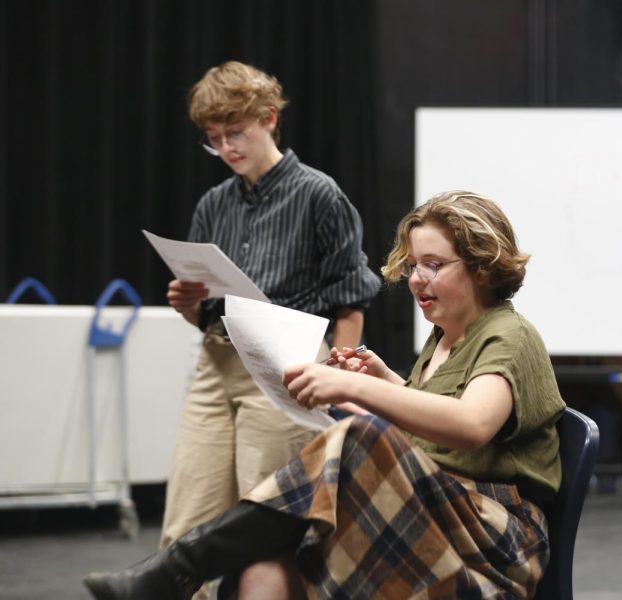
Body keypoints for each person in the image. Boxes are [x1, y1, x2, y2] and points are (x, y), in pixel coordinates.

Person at [83, 191, 566, 599]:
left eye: (434, 265)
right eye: (414, 265)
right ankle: (180, 571)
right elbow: (433, 424)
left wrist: (356, 387)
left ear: (482, 267)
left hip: (494, 539)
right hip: (436, 513)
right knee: (265, 570)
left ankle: (176, 570)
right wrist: (382, 384)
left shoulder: (509, 335)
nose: (416, 278)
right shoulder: (443, 336)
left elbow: (471, 425)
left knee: (357, 436)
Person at [160, 60, 381, 598]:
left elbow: (350, 300)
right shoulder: (214, 204)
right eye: (214, 140)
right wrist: (188, 303)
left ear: (269, 117)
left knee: (263, 523)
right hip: (217, 364)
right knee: (183, 527)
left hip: (286, 366)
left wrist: (338, 376)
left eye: (235, 132)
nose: (227, 147)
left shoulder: (318, 195)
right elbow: (206, 311)